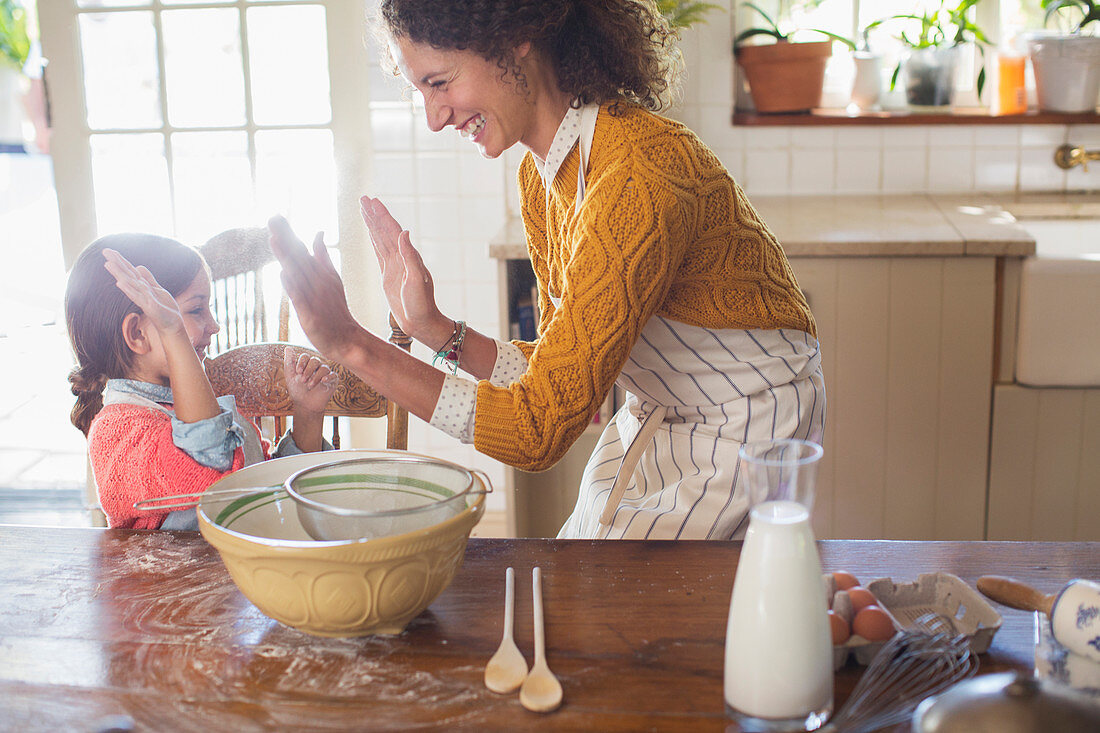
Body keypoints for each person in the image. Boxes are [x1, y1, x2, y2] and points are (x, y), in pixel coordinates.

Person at [268, 0, 824, 540]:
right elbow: (558, 372)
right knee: (586, 570)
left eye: (439, 83)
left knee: (621, 608)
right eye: (421, 92)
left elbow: (538, 430)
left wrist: (354, 348)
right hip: (661, 414)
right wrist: (433, 330)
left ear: (515, 38)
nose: (434, 118)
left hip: (747, 433)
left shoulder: (638, 172)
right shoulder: (543, 177)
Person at [64, 233, 338, 530]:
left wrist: (307, 413)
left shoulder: (202, 404)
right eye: (196, 310)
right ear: (138, 334)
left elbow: (265, 489)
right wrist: (173, 332)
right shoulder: (115, 431)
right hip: (175, 577)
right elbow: (207, 463)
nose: (214, 325)